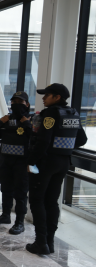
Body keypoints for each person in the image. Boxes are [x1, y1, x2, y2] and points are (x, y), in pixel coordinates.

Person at [25, 84, 87, 255]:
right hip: (63, 162)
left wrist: (30, 162)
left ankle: (40, 242)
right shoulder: (73, 113)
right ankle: (49, 243)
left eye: (47, 95)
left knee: (37, 200)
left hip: (45, 163)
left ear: (57, 97)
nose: (43, 98)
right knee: (51, 201)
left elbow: (43, 141)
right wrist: (62, 147)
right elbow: (82, 139)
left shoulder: (50, 113)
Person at [0, 91, 32, 235]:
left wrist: (27, 123)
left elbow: (34, 138)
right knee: (5, 188)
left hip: (22, 162)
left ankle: (19, 222)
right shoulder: (7, 119)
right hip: (6, 160)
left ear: (27, 104)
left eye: (20, 102)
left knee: (21, 193)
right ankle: (5, 215)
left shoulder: (32, 120)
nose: (16, 105)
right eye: (14, 102)